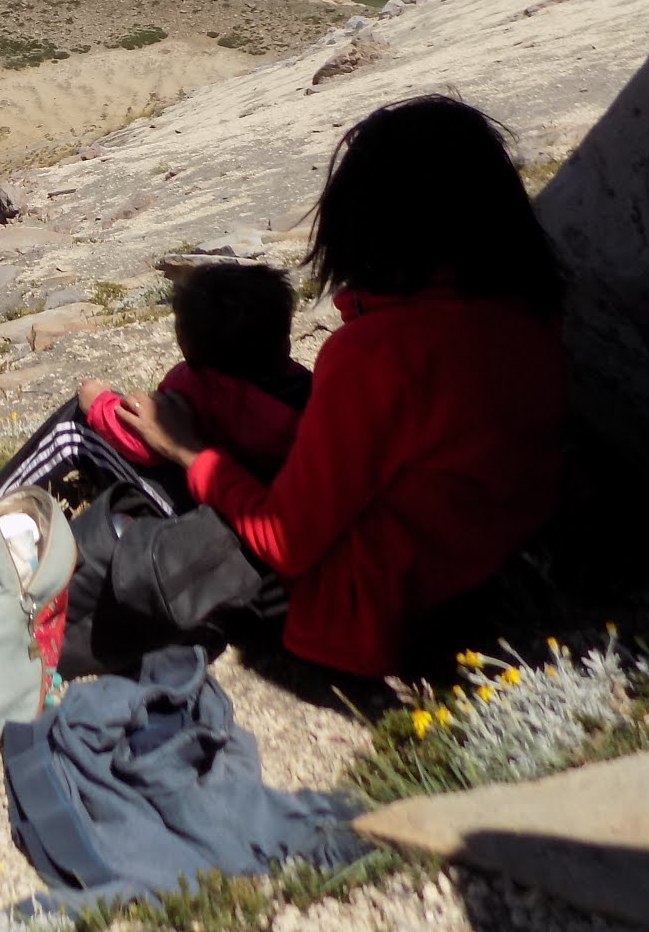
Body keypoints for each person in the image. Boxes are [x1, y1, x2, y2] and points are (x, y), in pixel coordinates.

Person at [119, 95, 566, 678]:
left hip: (375, 619)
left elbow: (283, 538)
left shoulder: (377, 353)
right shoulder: (530, 320)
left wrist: (187, 450)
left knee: (140, 505)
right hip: (492, 574)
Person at [79, 262, 312, 484]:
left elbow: (148, 442)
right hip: (272, 495)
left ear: (185, 347)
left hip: (208, 495)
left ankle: (43, 515)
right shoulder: (313, 395)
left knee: (74, 424)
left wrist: (98, 403)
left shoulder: (196, 389)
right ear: (285, 343)